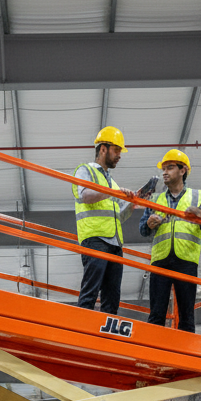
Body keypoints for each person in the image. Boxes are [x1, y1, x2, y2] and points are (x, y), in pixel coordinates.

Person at [139, 149, 201, 333]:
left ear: (183, 170)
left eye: (170, 167)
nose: (165, 172)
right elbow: (142, 229)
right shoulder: (156, 199)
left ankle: (185, 357)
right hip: (160, 260)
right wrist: (148, 224)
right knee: (156, 314)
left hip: (186, 260)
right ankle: (153, 353)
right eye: (164, 168)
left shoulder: (197, 197)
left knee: (187, 315)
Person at [72, 126, 137, 315]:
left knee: (112, 296)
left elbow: (119, 216)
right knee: (90, 292)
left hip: (115, 243)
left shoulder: (112, 182)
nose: (119, 155)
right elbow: (85, 196)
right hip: (95, 240)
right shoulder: (85, 171)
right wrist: (112, 193)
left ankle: (107, 340)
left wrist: (133, 204)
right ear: (103, 149)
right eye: (116, 150)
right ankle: (82, 331)